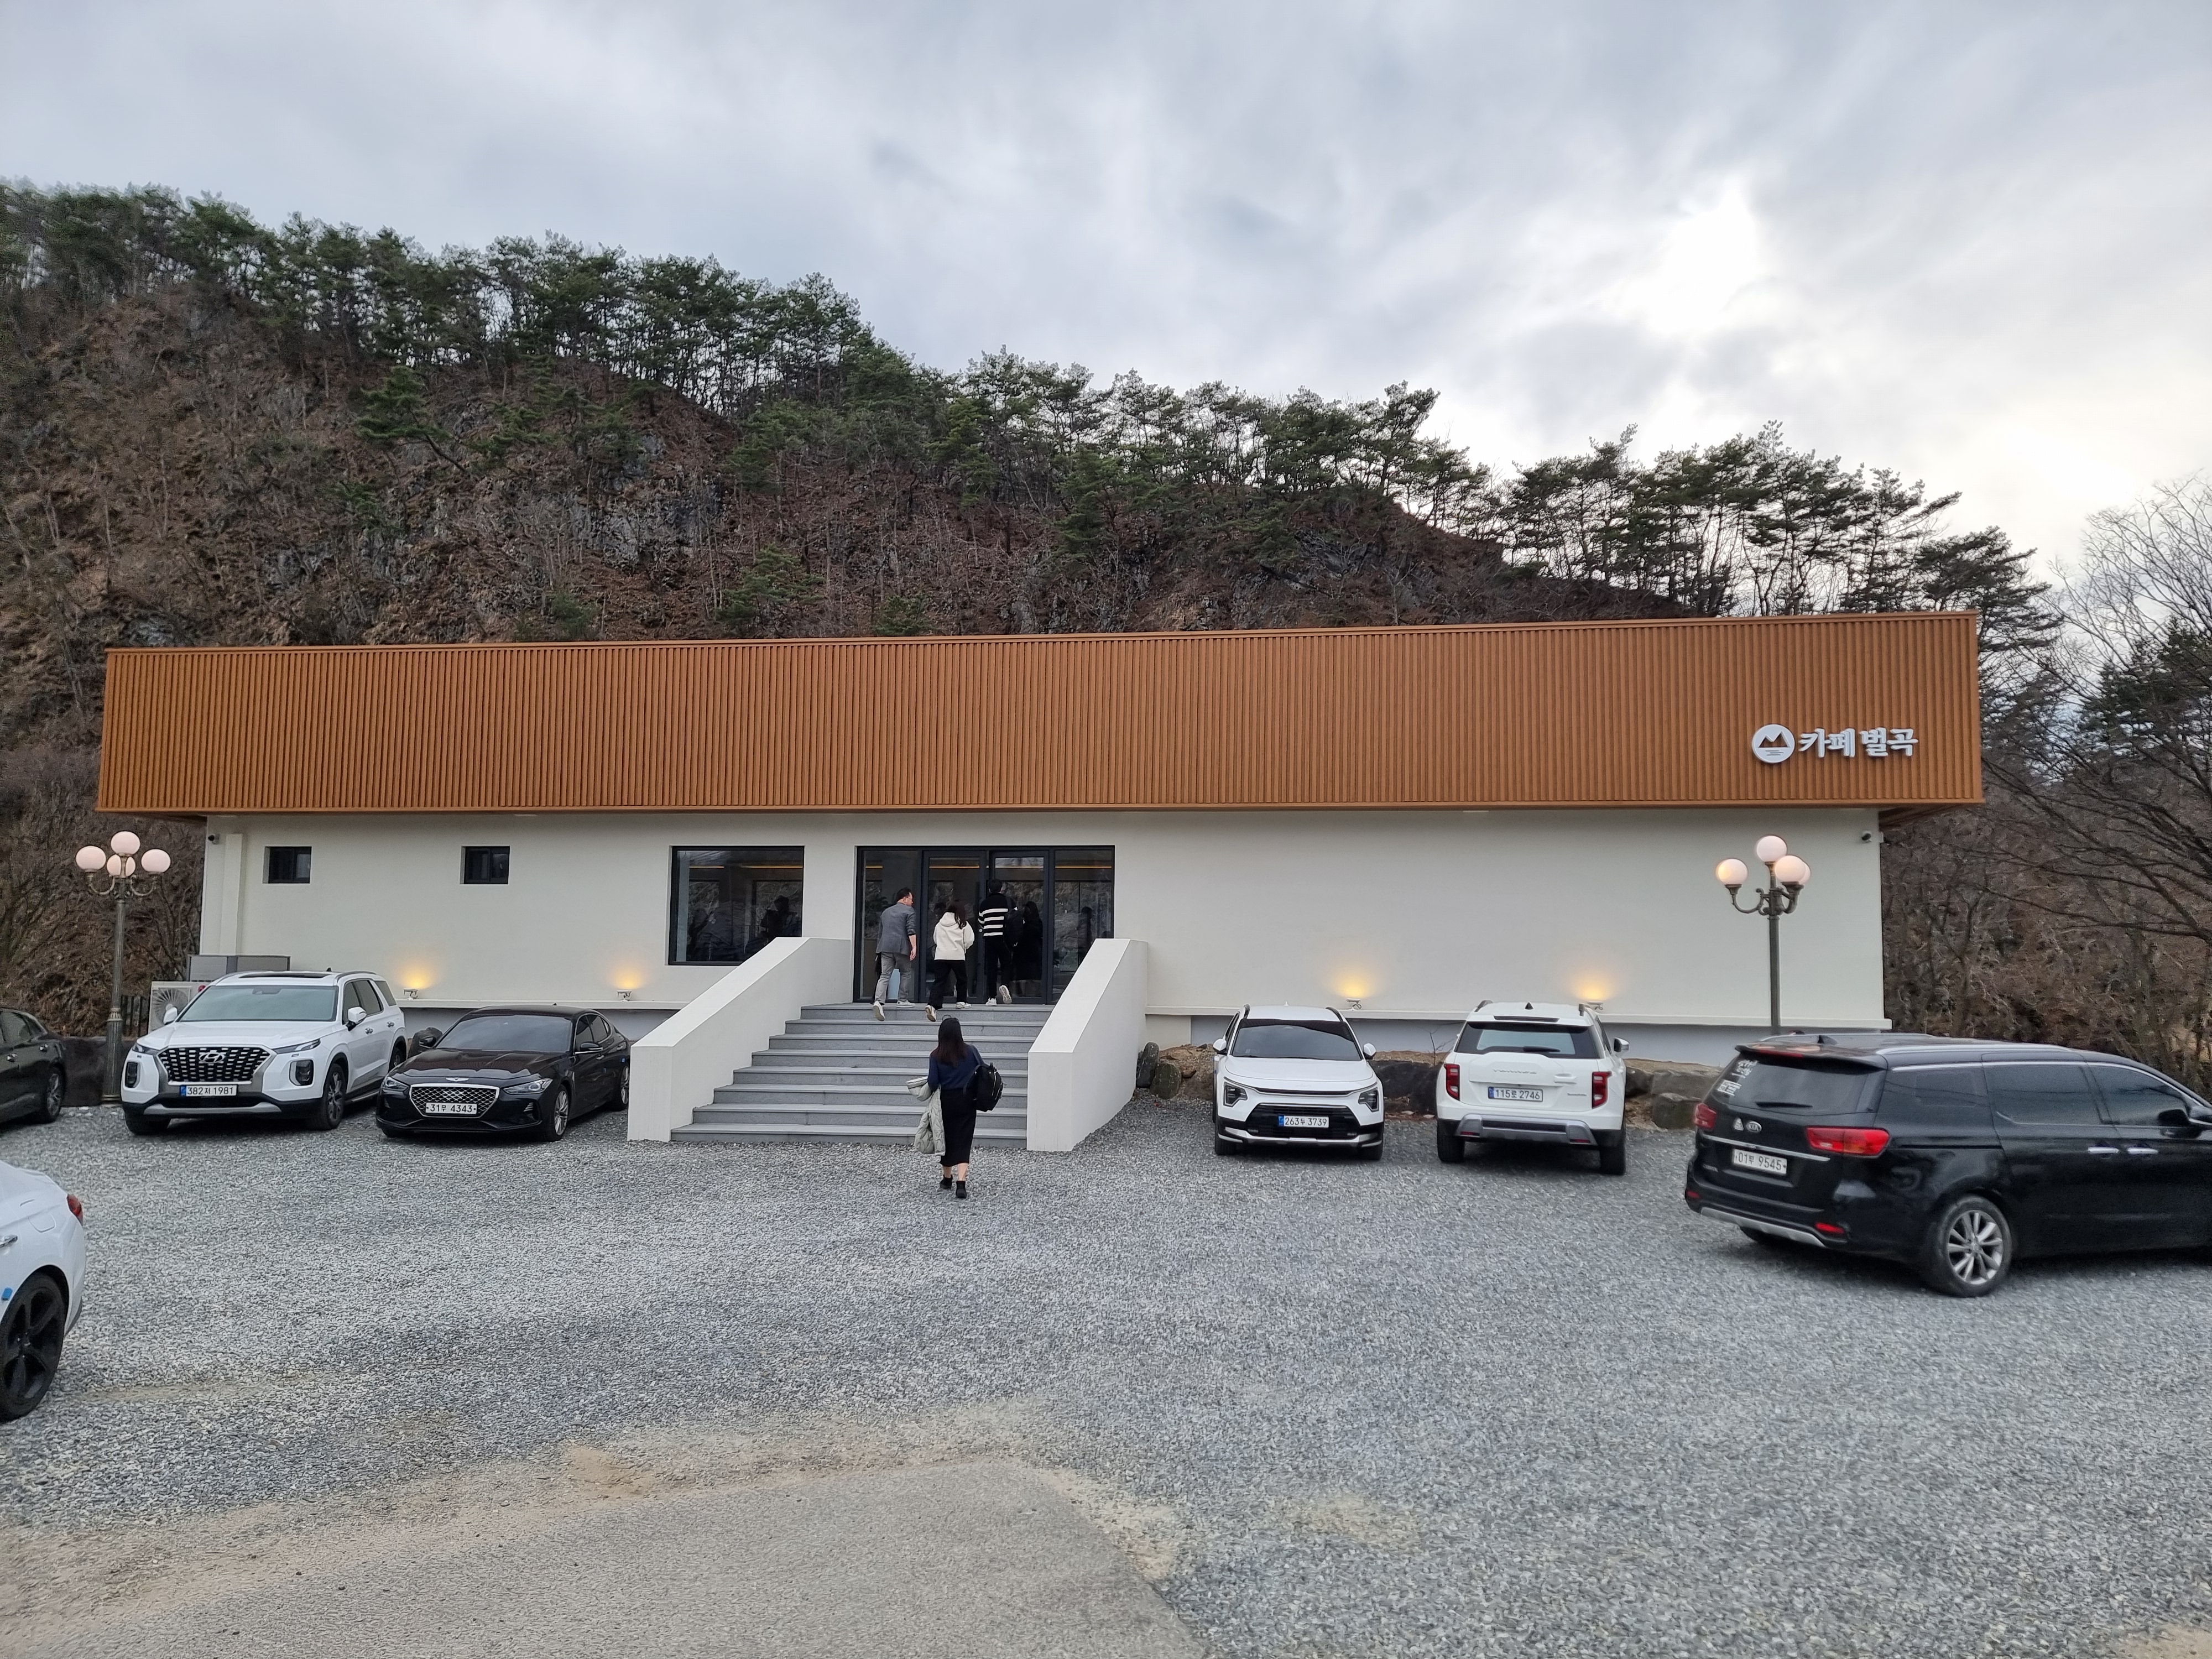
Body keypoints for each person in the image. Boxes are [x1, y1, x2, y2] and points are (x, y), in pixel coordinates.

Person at [926, 1015, 982, 1198]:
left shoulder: (936, 1056)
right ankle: (961, 1183)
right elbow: (982, 1070)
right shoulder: (971, 1051)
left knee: (948, 1139)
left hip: (947, 1101)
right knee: (964, 1140)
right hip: (968, 1100)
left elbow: (933, 1083)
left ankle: (947, 1178)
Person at [926, 900, 974, 1020]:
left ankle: (933, 1005)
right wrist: (963, 948)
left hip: (941, 956)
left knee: (940, 981)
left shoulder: (940, 924)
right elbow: (969, 940)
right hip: (957, 955)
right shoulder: (963, 923)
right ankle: (961, 1001)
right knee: (962, 979)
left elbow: (935, 939)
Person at [874, 886, 917, 1020]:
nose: (912, 902)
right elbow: (911, 930)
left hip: (885, 947)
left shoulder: (886, 912)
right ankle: (902, 1000)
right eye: (911, 899)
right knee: (906, 972)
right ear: (904, 899)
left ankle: (878, 1001)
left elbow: (880, 933)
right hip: (902, 947)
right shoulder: (909, 911)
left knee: (885, 975)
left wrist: (878, 950)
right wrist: (914, 947)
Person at [977, 884, 1015, 1004]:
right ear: (1001, 889)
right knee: (1006, 965)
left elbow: (981, 921)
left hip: (990, 939)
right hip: (1005, 938)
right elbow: (1016, 919)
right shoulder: (1009, 902)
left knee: (991, 967)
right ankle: (1004, 985)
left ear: (990, 890)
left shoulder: (984, 904)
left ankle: (992, 997)